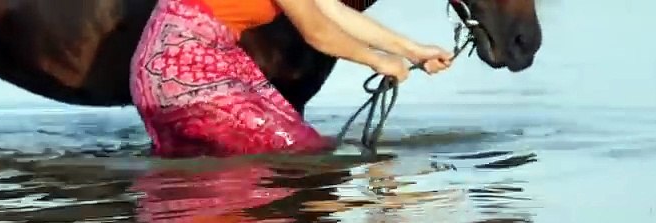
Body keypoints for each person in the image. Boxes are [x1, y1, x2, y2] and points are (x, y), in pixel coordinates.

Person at [129, 0, 455, 158]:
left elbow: (334, 11)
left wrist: (414, 51)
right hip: (183, 63)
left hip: (191, 57)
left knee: (247, 156)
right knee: (300, 153)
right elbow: (317, 31)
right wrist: (377, 61)